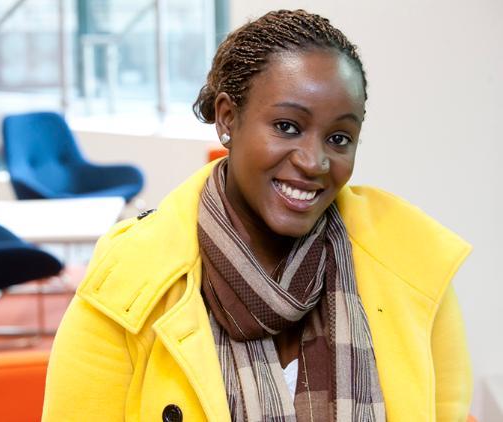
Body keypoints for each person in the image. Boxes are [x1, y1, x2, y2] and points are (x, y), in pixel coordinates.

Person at [42, 9, 472, 422]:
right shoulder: (126, 285)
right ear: (228, 119)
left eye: (339, 137)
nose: (315, 161)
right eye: (288, 126)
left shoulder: (414, 268)